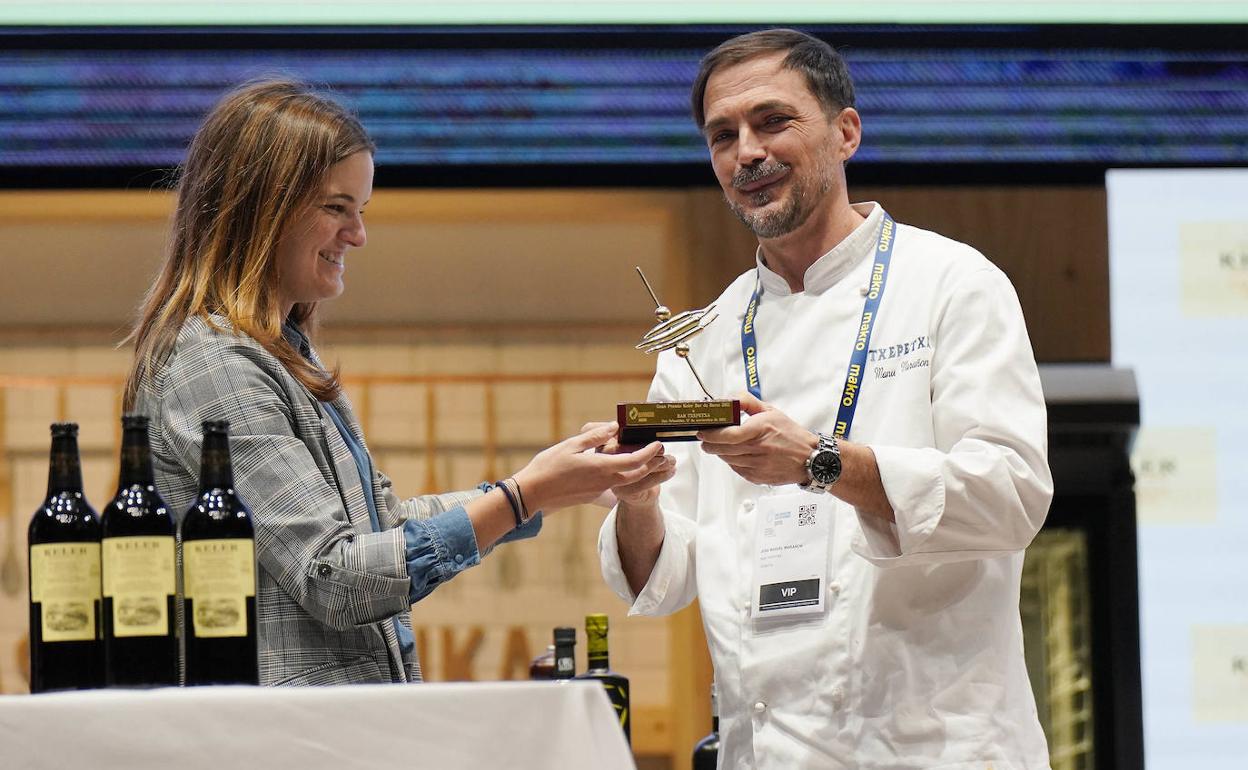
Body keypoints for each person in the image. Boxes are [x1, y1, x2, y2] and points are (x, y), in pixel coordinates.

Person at [597, 29, 1054, 768]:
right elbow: (666, 578)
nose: (746, 152)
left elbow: (1011, 495)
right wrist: (638, 498)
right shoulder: (706, 338)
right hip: (765, 749)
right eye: (723, 135)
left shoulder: (952, 284)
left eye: (772, 121)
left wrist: (821, 462)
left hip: (936, 748)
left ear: (846, 132)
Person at [123, 79, 668, 686]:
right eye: (336, 208)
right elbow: (339, 579)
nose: (357, 235)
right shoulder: (216, 366)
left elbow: (379, 527)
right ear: (258, 207)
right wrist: (522, 496)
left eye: (361, 211)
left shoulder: (276, 354)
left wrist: (548, 484)